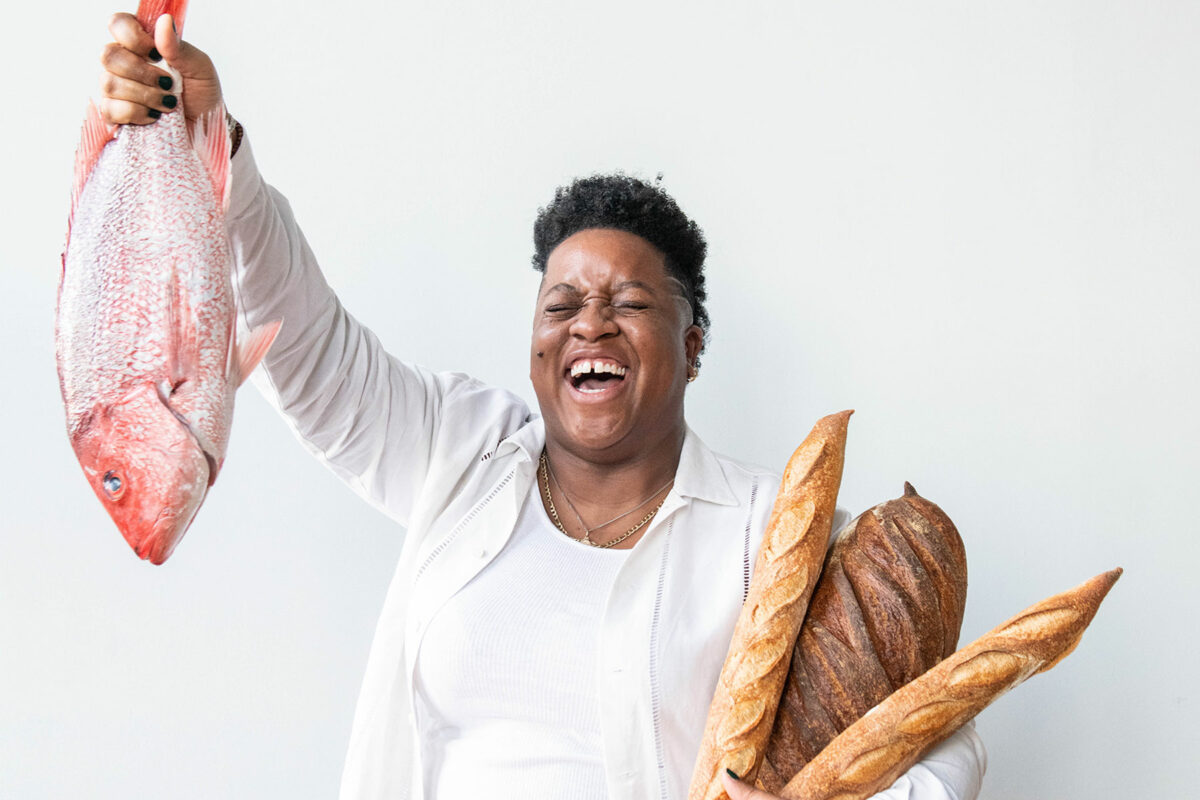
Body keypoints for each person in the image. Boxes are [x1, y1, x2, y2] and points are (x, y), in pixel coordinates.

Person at [95, 12, 987, 800]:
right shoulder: (457, 453)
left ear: (693, 343)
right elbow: (309, 343)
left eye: (629, 304)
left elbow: (942, 732)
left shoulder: (771, 532)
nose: (587, 327)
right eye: (560, 305)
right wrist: (212, 139)